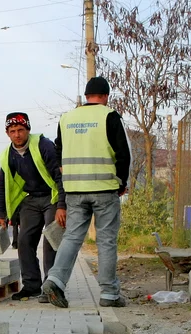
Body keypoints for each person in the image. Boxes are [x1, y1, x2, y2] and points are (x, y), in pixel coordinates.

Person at [42, 77, 131, 308]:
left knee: (72, 237)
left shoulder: (66, 118)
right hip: (104, 189)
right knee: (106, 240)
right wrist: (121, 183)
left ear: (87, 95)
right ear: (106, 96)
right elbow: (123, 153)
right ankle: (109, 294)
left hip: (74, 190)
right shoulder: (109, 116)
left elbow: (59, 151)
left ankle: (55, 280)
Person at [0, 112, 66, 301]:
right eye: (12, 131)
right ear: (7, 133)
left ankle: (52, 287)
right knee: (24, 241)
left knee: (51, 240)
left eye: (20, 130)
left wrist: (62, 205)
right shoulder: (7, 156)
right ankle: (31, 285)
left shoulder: (44, 145)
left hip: (52, 197)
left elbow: (60, 176)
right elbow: (3, 186)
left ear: (28, 130)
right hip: (31, 200)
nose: (17, 134)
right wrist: (0, 214)